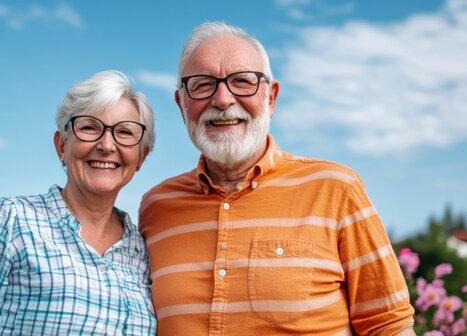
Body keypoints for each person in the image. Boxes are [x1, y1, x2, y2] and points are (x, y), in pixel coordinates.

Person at [139, 22, 415, 335]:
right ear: (181, 103)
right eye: (202, 84)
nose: (223, 99)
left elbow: (389, 326)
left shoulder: (336, 189)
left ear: (271, 97)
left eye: (242, 81)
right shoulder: (156, 206)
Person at [0, 70, 157, 335]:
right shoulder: (13, 220)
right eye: (89, 127)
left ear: (141, 157)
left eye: (124, 132)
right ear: (61, 145)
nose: (107, 145)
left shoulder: (143, 250)